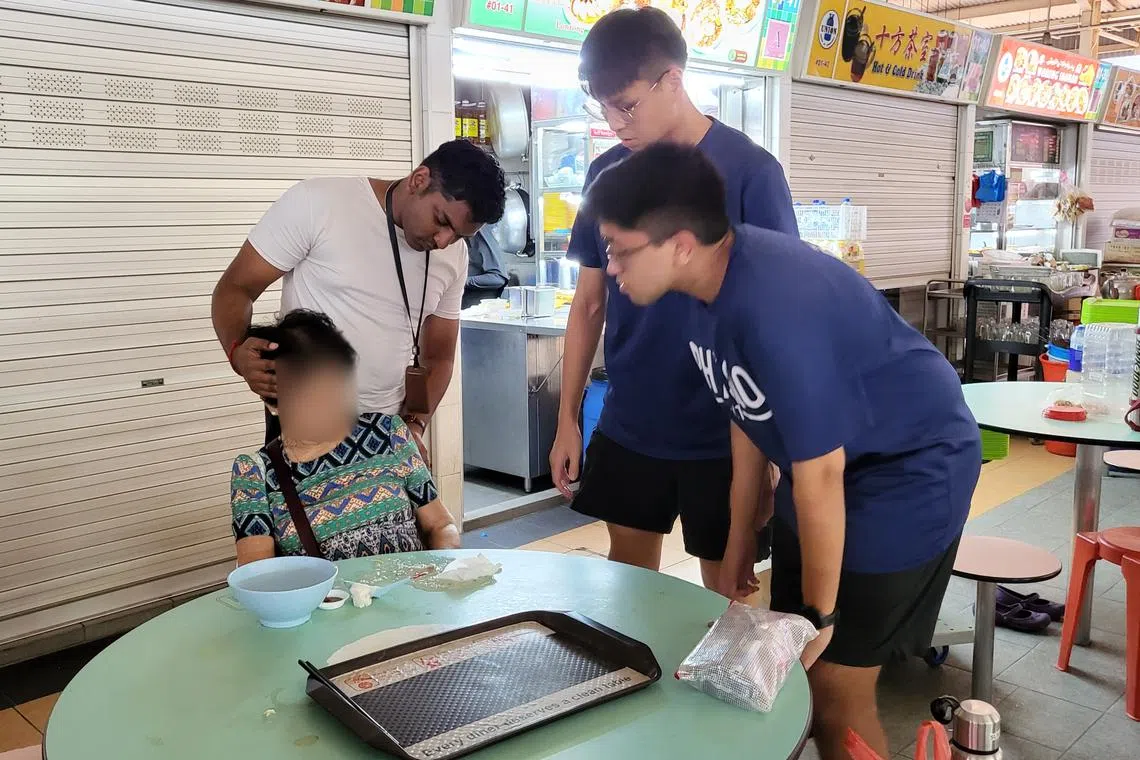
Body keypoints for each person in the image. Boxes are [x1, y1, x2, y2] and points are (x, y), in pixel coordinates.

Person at [582, 143, 981, 760]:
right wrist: (740, 535)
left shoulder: (775, 303)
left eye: (619, 248)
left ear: (680, 244)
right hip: (823, 468)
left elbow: (822, 473)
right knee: (792, 672)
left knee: (833, 687)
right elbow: (745, 410)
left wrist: (820, 616)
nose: (609, 266)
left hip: (906, 471)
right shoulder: (695, 287)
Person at [549, 7, 798, 586]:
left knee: (727, 593)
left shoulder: (751, 173)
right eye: (602, 107)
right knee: (631, 590)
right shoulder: (606, 174)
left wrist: (772, 452)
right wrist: (567, 420)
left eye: (627, 105)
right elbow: (589, 303)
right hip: (632, 420)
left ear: (673, 81)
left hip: (726, 432)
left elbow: (778, 322)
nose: (614, 122)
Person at [212, 140, 506, 458]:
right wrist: (237, 351)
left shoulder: (454, 256)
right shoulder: (318, 203)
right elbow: (235, 288)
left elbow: (439, 357)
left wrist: (415, 425)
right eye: (442, 221)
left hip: (386, 435)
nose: (444, 241)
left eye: (460, 236)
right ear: (419, 180)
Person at [230, 310, 460, 566]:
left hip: (413, 587)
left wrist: (442, 567)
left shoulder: (388, 433)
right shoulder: (255, 473)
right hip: (324, 594)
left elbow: (441, 525)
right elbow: (259, 573)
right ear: (272, 402)